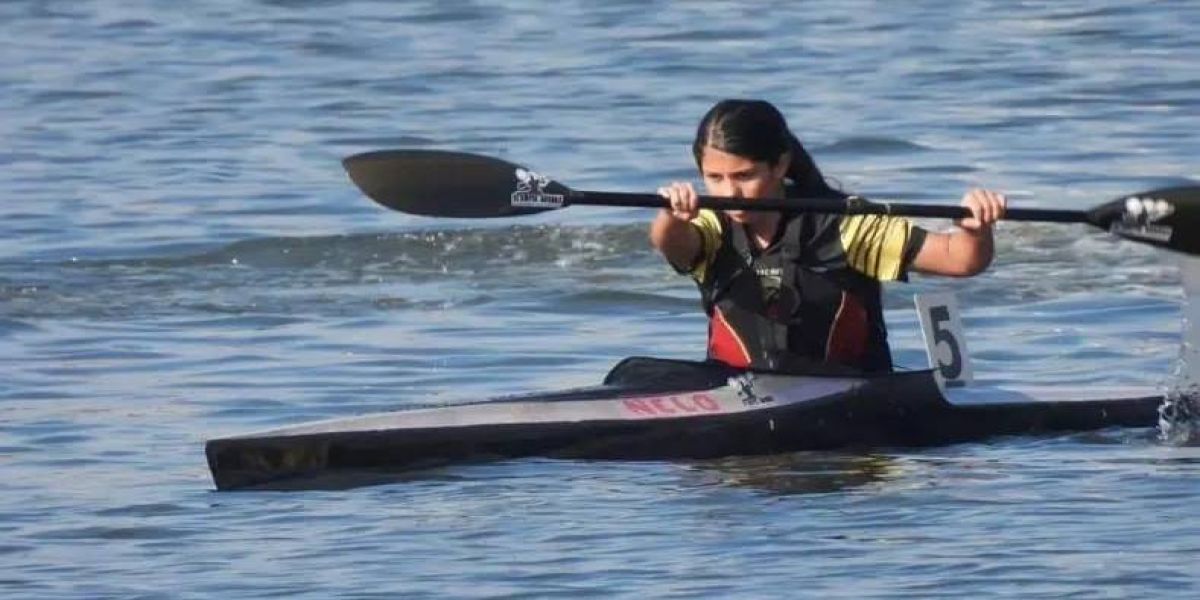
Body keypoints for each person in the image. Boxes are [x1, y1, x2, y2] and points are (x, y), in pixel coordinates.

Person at [650, 99, 1006, 374]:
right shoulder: (711, 226)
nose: (730, 192)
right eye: (714, 178)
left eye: (744, 176)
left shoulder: (844, 224)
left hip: (847, 403)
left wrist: (974, 229)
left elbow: (961, 260)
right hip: (734, 396)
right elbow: (675, 245)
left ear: (780, 165)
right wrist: (671, 216)